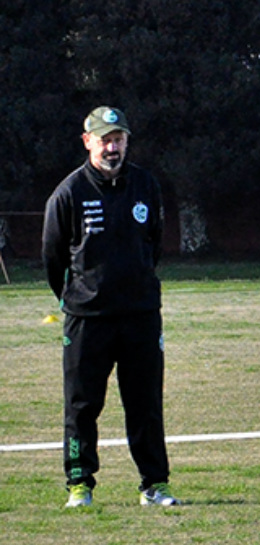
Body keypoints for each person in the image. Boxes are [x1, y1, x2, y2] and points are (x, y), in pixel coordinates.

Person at [42, 106, 179, 508]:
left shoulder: (145, 186)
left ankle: (155, 484)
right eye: (105, 140)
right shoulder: (68, 193)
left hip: (140, 315)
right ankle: (79, 484)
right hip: (87, 319)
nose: (113, 147)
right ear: (88, 142)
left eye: (118, 139)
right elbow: (53, 258)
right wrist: (78, 297)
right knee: (82, 405)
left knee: (145, 403)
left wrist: (135, 284)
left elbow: (153, 243)